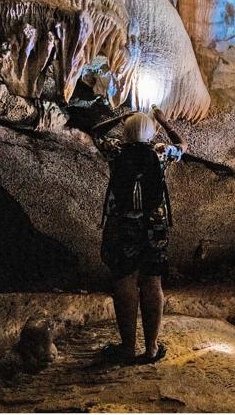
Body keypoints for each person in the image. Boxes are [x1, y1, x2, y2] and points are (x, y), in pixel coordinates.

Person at [96, 107, 186, 365]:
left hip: (122, 223)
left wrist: (122, 116)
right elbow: (182, 145)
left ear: (126, 131)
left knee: (125, 280)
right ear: (150, 132)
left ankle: (127, 348)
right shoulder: (159, 152)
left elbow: (95, 133)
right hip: (154, 224)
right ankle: (151, 348)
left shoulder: (115, 150)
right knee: (152, 281)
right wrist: (163, 121)